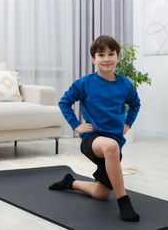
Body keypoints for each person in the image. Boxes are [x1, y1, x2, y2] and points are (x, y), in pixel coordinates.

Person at [49, 35, 141, 222]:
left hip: (114, 143)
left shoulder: (125, 84)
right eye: (101, 55)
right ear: (94, 59)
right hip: (93, 138)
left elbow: (135, 104)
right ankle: (124, 201)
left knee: (101, 194)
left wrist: (128, 123)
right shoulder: (84, 83)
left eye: (111, 54)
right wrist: (76, 125)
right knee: (111, 146)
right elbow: (64, 102)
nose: (106, 58)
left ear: (118, 57)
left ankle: (71, 182)